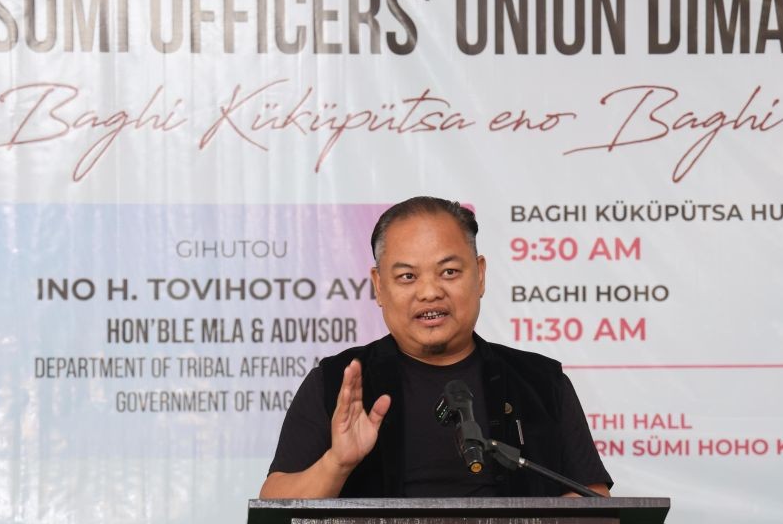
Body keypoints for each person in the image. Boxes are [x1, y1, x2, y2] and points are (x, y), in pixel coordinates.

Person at [259, 197, 611, 499]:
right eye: (407, 277)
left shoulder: (540, 382)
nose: (429, 292)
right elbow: (274, 505)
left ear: (480, 275)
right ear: (379, 286)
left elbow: (594, 503)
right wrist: (337, 463)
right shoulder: (339, 383)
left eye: (449, 272)